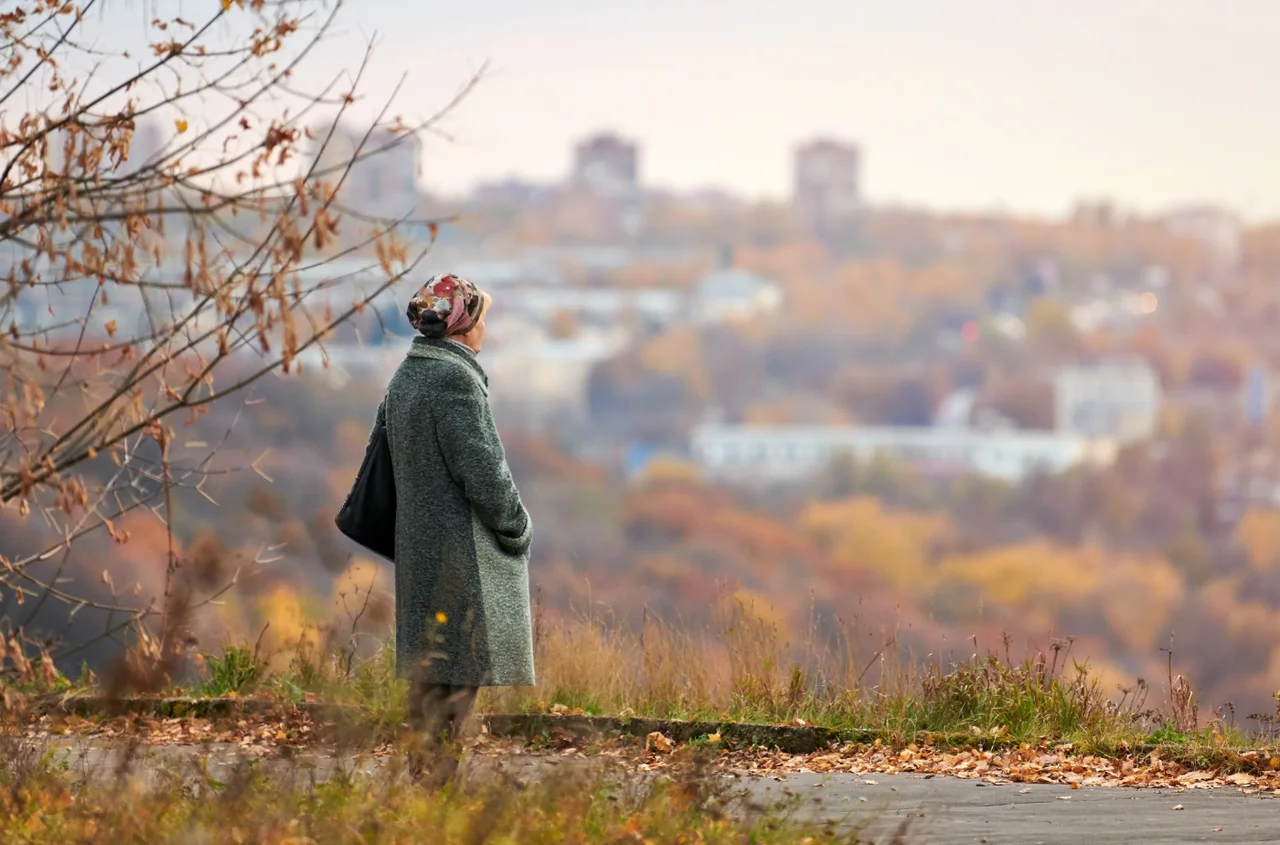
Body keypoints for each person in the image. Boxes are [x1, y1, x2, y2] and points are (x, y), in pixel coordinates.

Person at [371, 272, 534, 785]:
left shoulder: (407, 375)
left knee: (431, 681)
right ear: (464, 325)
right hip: (461, 555)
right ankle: (435, 799)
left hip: (422, 547)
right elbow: (483, 469)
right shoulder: (454, 380)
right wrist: (517, 526)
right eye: (482, 316)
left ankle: (425, 795)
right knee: (455, 685)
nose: (486, 326)